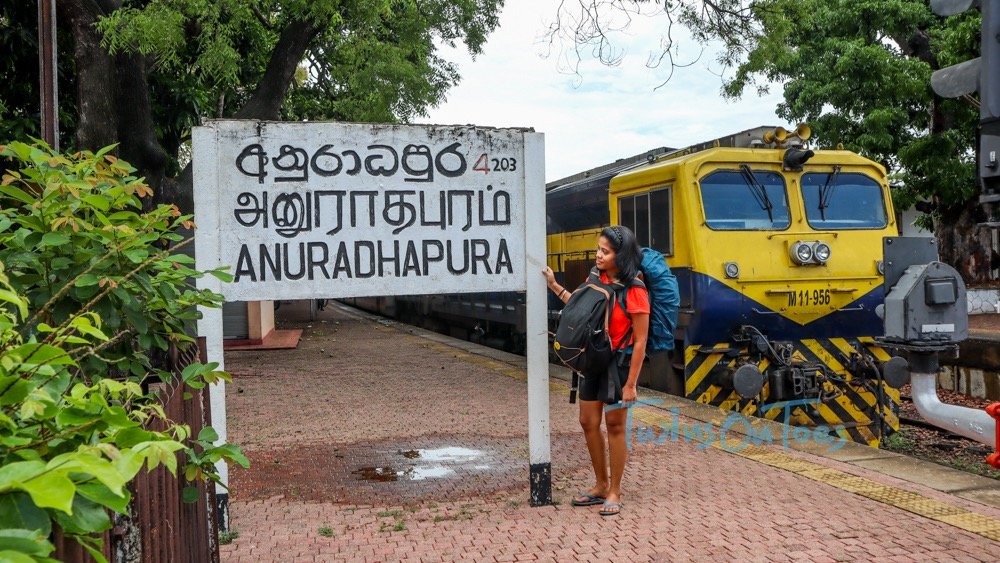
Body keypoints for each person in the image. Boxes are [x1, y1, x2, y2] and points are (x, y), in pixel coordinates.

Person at [541, 225, 650, 517]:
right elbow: (578, 309)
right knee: (588, 421)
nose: (598, 255)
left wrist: (631, 384)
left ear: (621, 255)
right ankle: (601, 484)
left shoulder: (635, 290)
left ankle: (615, 490)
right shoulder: (594, 277)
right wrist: (553, 285)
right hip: (592, 361)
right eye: (598, 249)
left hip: (618, 364)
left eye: (605, 251)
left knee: (614, 426)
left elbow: (640, 341)